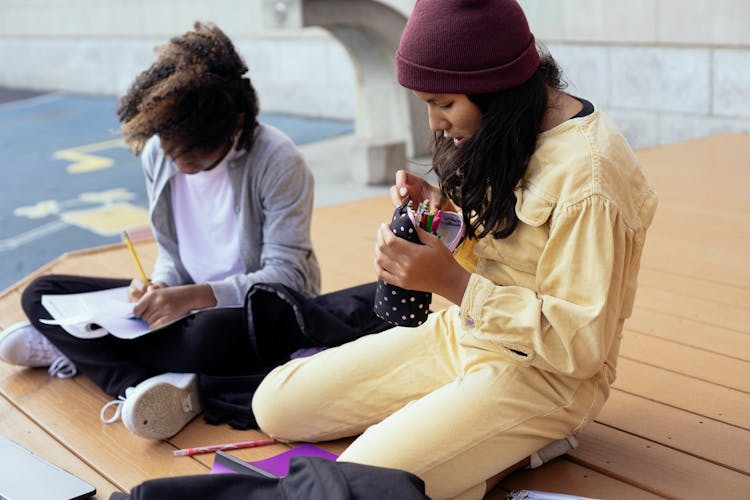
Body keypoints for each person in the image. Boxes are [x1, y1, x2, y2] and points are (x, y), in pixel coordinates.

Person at [252, 1, 658, 498]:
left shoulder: (590, 177)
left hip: (548, 378)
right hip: (467, 333)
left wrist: (449, 283)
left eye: (443, 103)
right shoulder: (507, 127)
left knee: (359, 482)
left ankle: (516, 449)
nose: (436, 122)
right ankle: (462, 431)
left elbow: (579, 346)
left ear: (497, 88)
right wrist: (440, 219)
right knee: (275, 403)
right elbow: (498, 253)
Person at [0, 22, 320, 440]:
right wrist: (159, 284)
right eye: (171, 147)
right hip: (181, 308)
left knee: (208, 335)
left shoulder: (278, 161)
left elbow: (287, 280)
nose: (179, 160)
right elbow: (172, 251)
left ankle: (87, 353)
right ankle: (144, 383)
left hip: (249, 313)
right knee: (40, 294)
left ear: (237, 121)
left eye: (194, 149)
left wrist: (194, 297)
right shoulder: (161, 150)